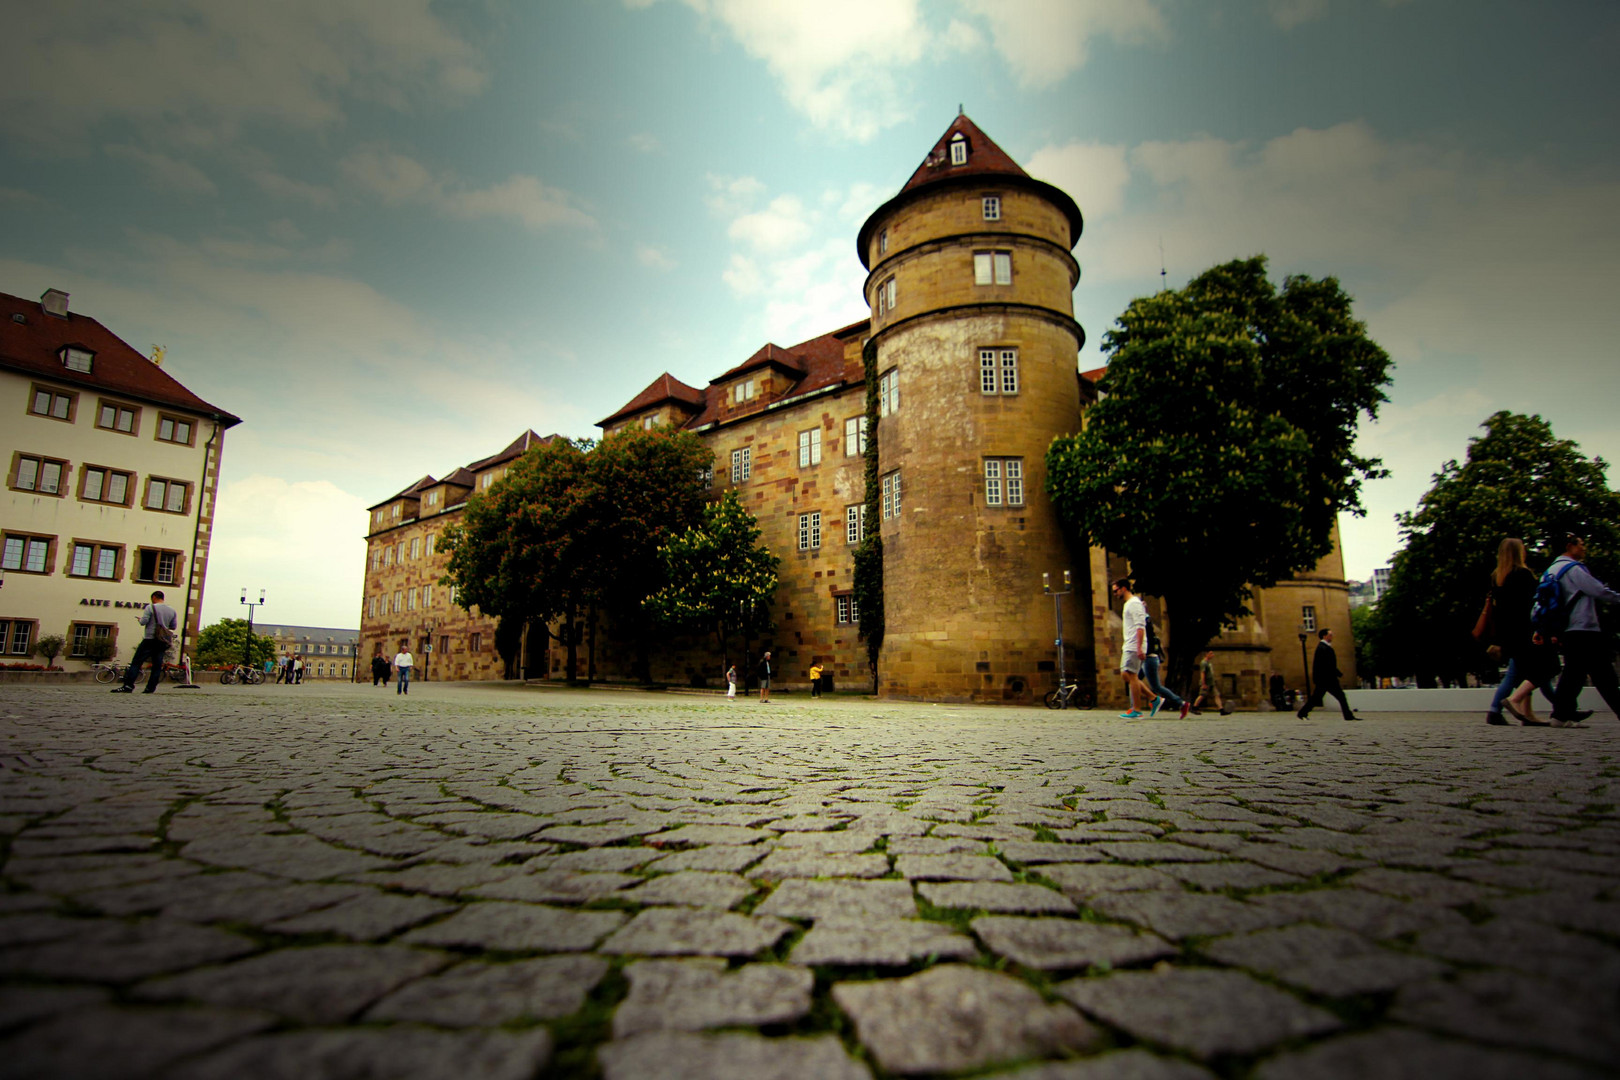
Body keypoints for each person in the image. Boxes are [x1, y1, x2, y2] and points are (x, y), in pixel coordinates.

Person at [1547, 534, 1620, 726]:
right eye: (1581, 544)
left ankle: (1560, 714)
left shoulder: (1551, 570)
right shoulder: (1574, 569)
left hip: (1566, 629)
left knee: (1574, 673)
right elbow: (1597, 590)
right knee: (1604, 673)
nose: (1584, 548)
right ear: (1569, 546)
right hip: (1584, 627)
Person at [1485, 537, 1555, 726]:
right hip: (1525, 630)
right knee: (1542, 671)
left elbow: (1499, 610)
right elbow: (1532, 605)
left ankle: (1529, 713)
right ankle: (1563, 708)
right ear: (1519, 552)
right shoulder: (1523, 574)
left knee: (1522, 673)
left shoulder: (1497, 577)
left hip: (1508, 633)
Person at [111, 590, 178, 694]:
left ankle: (128, 685)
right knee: (157, 665)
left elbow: (144, 622)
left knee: (136, 662)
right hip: (162, 641)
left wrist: (140, 620)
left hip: (150, 638)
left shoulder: (150, 607)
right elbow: (173, 626)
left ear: (154, 597)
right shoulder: (172, 610)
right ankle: (150, 688)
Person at [1110, 578, 1160, 718]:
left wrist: (1139, 647)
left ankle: (1137, 709)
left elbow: (1140, 626)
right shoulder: (1130, 604)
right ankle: (1153, 698)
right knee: (1126, 674)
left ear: (1123, 588)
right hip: (1129, 644)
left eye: (1116, 590)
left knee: (1131, 675)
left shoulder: (1134, 604)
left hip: (1134, 645)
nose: (1114, 594)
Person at [1297, 627, 1360, 720]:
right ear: (1324, 636)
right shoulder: (1323, 648)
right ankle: (1348, 716)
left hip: (1325, 679)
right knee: (1340, 696)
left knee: (1317, 698)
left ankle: (1302, 713)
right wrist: (1337, 673)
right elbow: (1326, 664)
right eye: (1330, 635)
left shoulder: (1324, 647)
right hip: (1327, 679)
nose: (1332, 636)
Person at [1140, 614, 1189, 719]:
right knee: (1134, 679)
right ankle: (1138, 706)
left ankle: (1180, 703)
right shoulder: (1148, 627)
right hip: (1147, 659)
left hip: (1149, 659)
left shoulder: (1145, 628)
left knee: (1156, 686)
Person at [1191, 650, 1232, 715]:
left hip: (1211, 683)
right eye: (1211, 653)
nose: (1212, 655)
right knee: (1202, 695)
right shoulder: (1203, 663)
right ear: (1206, 654)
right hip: (1206, 683)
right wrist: (1203, 683)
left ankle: (1221, 709)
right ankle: (1194, 707)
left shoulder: (1209, 663)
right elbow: (1202, 673)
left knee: (1216, 695)